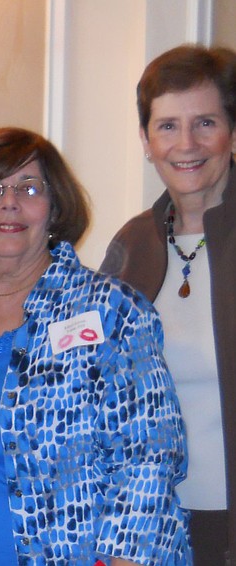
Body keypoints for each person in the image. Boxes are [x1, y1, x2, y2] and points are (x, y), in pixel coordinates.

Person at [0, 127, 190, 564]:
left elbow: (148, 464)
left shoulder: (110, 312)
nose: (9, 202)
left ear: (54, 210)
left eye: (30, 188)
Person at [101, 44, 236, 564]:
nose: (186, 144)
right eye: (167, 126)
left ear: (231, 131)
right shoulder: (132, 244)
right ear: (145, 140)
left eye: (205, 123)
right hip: (150, 528)